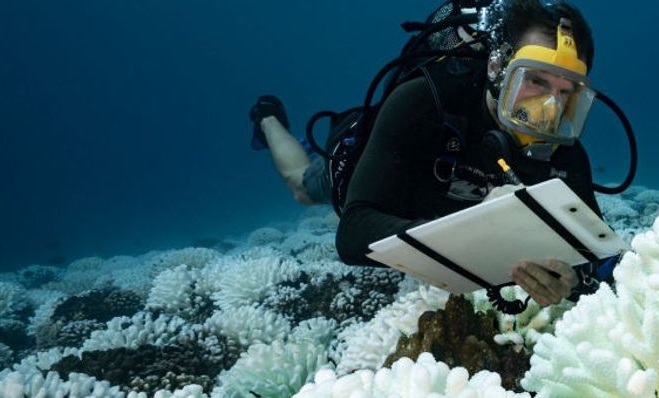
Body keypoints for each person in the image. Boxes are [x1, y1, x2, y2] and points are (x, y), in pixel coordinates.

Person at [247, 0, 613, 307]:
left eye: (566, 92)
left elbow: (595, 259)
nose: (548, 108)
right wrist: (477, 230)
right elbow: (352, 234)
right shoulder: (425, 100)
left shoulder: (565, 155)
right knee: (301, 188)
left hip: (424, 222)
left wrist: (572, 282)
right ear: (497, 66)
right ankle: (267, 118)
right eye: (535, 80)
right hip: (375, 161)